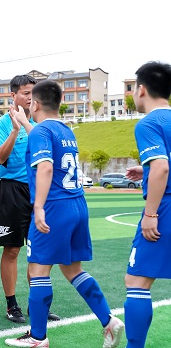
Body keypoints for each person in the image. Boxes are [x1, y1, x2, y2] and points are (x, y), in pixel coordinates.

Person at [4, 80, 124, 347]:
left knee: (38, 270)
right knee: (72, 270)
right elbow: (44, 141)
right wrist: (25, 124)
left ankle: (37, 337)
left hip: (54, 207)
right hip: (77, 204)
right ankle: (108, 321)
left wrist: (38, 207)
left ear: (34, 104)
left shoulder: (40, 133)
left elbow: (45, 167)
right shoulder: (65, 130)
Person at [0, 75, 62, 323]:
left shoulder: (44, 124)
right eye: (25, 92)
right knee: (12, 249)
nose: (30, 97)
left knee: (40, 249)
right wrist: (15, 130)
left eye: (34, 92)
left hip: (39, 191)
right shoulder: (2, 124)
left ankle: (37, 304)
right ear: (13, 96)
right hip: (13, 190)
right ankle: (12, 305)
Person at [122, 61, 171, 348]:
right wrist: (148, 171)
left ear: (141, 90)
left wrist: (151, 213)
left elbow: (163, 167)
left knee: (137, 280)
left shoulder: (149, 123)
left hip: (164, 207)